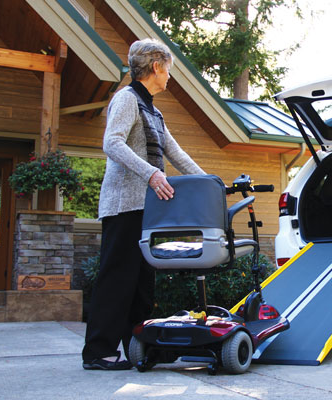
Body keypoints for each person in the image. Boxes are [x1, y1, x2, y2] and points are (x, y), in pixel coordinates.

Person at [82, 38, 206, 370]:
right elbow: (112, 142)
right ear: (156, 67)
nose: (170, 76)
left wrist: (210, 183)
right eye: (169, 69)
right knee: (116, 279)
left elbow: (176, 154)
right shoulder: (126, 99)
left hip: (147, 210)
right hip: (124, 205)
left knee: (141, 285)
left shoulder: (153, 109)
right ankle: (98, 352)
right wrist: (152, 174)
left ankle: (137, 346)